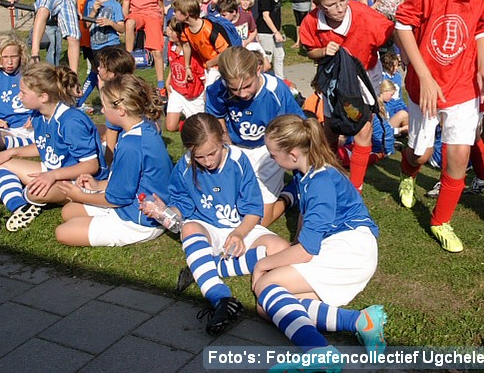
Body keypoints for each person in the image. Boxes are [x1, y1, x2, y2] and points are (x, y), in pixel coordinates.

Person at [395, 0, 484, 253]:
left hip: (463, 85)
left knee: (457, 157)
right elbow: (403, 25)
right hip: (426, 83)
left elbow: (483, 29)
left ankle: (441, 221)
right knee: (421, 155)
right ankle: (407, 176)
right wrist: (423, 76)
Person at [254, 115, 387, 364]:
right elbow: (305, 219)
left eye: (273, 154)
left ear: (293, 154)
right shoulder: (306, 173)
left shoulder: (321, 182)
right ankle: (360, 321)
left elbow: (306, 251)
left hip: (350, 250)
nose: (271, 159)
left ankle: (319, 353)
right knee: (267, 308)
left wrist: (264, 265)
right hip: (339, 245)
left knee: (266, 287)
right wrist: (294, 245)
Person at [143, 113, 289, 335]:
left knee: (282, 250)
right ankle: (220, 297)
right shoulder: (185, 166)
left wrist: (239, 234)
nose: (208, 161)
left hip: (240, 226)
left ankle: (203, 267)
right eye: (199, 157)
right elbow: (181, 206)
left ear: (223, 140)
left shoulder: (239, 161)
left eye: (212, 153)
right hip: (207, 228)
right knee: (189, 228)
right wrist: (164, 212)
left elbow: (252, 210)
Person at [299, 0, 394, 191]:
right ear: (318, 3)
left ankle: (356, 186)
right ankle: (330, 175)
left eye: (343, 0)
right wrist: (323, 51)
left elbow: (392, 32)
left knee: (363, 127)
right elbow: (310, 50)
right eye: (331, 5)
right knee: (332, 126)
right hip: (334, 79)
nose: (340, 8)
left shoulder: (363, 15)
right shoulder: (312, 22)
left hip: (365, 76)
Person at [56, 75, 173, 247]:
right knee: (68, 211)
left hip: (138, 219)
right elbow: (131, 181)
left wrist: (79, 195)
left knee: (63, 232)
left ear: (121, 110)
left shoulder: (131, 144)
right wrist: (97, 185)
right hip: (135, 202)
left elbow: (117, 199)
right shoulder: (142, 128)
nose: (102, 111)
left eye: (104, 106)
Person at [0, 62, 104, 232]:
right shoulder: (38, 114)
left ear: (43, 97)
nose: (19, 96)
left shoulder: (71, 121)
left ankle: (19, 194)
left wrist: (52, 176)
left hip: (77, 181)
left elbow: (91, 165)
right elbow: (42, 145)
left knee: (35, 192)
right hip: (52, 170)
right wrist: (12, 152)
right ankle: (20, 206)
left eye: (23, 92)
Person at [205, 46, 305, 226]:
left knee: (259, 223)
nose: (242, 94)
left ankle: (289, 195)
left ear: (258, 70)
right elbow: (216, 116)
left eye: (247, 86)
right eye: (234, 89)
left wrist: (281, 155)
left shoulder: (276, 90)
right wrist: (228, 146)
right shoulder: (218, 89)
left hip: (268, 149)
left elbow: (295, 124)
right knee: (230, 212)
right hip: (236, 145)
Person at [122, 0, 167, 97]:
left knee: (157, 52)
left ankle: (161, 85)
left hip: (153, 16)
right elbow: (125, 9)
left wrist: (161, 23)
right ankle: (129, 56)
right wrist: (126, 20)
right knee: (130, 23)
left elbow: (161, 7)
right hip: (137, 14)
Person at [81, 0, 125, 108]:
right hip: (96, 46)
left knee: (112, 75)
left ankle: (117, 100)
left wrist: (110, 23)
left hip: (111, 45)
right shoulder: (90, 2)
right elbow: (86, 25)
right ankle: (104, 103)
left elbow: (122, 28)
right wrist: (93, 12)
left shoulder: (115, 5)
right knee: (99, 75)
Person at [172, 0, 231, 85]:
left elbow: (226, 52)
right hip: (208, 68)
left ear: (186, 14)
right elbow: (186, 45)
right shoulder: (185, 27)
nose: (173, 13)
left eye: (176, 11)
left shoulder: (208, 30)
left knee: (211, 96)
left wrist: (210, 63)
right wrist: (187, 67)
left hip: (220, 68)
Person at [256, 0, 286, 79]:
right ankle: (263, 79)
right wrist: (276, 32)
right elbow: (265, 16)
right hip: (266, 32)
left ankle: (280, 78)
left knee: (280, 55)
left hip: (275, 32)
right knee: (267, 59)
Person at [380, 51, 408, 136]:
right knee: (404, 116)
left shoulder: (398, 76)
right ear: (388, 66)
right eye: (394, 66)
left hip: (399, 106)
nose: (396, 68)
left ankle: (399, 132)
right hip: (389, 109)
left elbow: (400, 97)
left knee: (413, 119)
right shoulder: (383, 77)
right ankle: (395, 132)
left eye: (397, 65)